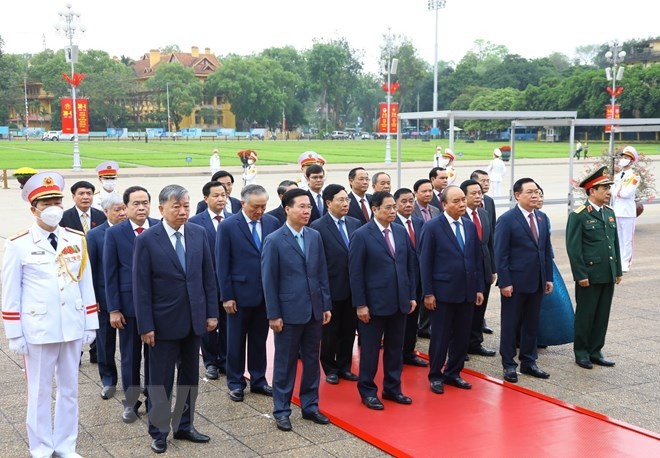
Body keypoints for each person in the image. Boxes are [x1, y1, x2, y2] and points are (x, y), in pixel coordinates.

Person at [2, 171, 98, 458]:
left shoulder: (76, 239)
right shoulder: (18, 244)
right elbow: (10, 291)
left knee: (69, 390)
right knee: (40, 392)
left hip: (71, 325)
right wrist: (15, 332)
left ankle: (66, 445)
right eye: (46, 203)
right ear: (33, 209)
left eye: (57, 200)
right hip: (38, 329)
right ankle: (42, 448)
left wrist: (90, 323)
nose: (54, 207)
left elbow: (85, 283)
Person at [133, 184, 218, 454]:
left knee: (189, 377)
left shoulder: (199, 233)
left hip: (194, 320)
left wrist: (211, 313)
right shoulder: (147, 239)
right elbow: (141, 286)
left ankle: (185, 425)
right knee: (160, 381)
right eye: (176, 207)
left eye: (186, 206)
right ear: (161, 209)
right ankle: (159, 431)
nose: (182, 212)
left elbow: (208, 276)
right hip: (162, 324)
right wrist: (145, 325)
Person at [262, 188, 333, 431]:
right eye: (301, 206)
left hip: (314, 310)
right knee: (285, 363)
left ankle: (310, 405)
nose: (306, 211)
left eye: (309, 207)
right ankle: (281, 410)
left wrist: (325, 304)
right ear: (287, 209)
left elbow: (321, 272)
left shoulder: (314, 236)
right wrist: (274, 314)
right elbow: (269, 281)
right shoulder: (274, 240)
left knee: (312, 361)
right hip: (288, 313)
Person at [349, 191, 417, 410]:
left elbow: (409, 265)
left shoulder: (399, 231)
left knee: (395, 349)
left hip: (399, 301)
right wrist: (360, 304)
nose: (392, 212)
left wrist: (411, 295)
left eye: (393, 207)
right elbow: (355, 273)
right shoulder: (362, 235)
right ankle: (368, 391)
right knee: (369, 351)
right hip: (373, 304)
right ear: (375, 209)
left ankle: (392, 388)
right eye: (388, 207)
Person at [216, 184, 279, 403]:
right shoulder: (229, 226)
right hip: (239, 294)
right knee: (235, 341)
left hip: (265, 295)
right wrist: (227, 295)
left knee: (259, 339)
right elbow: (222, 264)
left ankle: (259, 379)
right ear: (243, 203)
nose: (260, 211)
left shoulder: (271, 222)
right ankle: (235, 382)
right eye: (256, 207)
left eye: (263, 206)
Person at [419, 186, 484, 394]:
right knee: (440, 336)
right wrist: (428, 293)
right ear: (444, 205)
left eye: (463, 199)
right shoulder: (432, 227)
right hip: (442, 292)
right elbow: (425, 262)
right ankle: (436, 375)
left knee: (462, 335)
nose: (462, 204)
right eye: (456, 201)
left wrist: (479, 288)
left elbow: (476, 259)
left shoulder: (469, 225)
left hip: (466, 292)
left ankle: (454, 372)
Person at [104, 186, 160, 423]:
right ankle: (131, 401)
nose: (141, 208)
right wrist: (114, 308)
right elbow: (110, 273)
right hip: (128, 306)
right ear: (125, 208)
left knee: (157, 356)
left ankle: (154, 400)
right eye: (136, 203)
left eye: (145, 202)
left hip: (158, 305)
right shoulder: (115, 233)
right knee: (130, 356)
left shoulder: (159, 227)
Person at [494, 178, 553, 384]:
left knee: (531, 323)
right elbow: (500, 254)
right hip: (515, 282)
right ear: (518, 195)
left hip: (536, 281)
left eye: (537, 192)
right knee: (510, 324)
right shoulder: (507, 219)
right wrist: (505, 282)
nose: (535, 196)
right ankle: (509, 364)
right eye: (530, 192)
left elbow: (545, 250)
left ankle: (529, 361)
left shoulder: (542, 218)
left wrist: (548, 278)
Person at [566, 167, 622, 369]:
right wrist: (580, 274)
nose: (608, 192)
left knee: (602, 315)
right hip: (589, 275)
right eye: (604, 188)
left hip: (606, 274)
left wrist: (617, 270)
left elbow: (614, 243)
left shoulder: (609, 213)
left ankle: (596, 350)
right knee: (585, 315)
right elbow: (574, 248)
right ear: (591, 190)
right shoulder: (579, 215)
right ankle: (581, 352)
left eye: (609, 188)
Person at [311, 184, 362, 384]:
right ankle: (329, 367)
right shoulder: (318, 227)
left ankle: (344, 366)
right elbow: (316, 263)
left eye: (347, 200)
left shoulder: (355, 223)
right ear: (328, 202)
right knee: (330, 332)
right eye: (340, 200)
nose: (345, 203)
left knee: (349, 331)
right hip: (331, 288)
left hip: (353, 287)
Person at [86, 193, 127, 401]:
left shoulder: (133, 231)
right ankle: (108, 380)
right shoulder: (94, 235)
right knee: (105, 342)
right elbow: (91, 271)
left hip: (129, 296)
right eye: (117, 210)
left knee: (131, 344)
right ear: (106, 212)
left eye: (123, 209)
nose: (122, 213)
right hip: (104, 298)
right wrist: (94, 301)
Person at [61, 180, 106, 365]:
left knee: (95, 309)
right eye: (81, 193)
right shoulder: (64, 217)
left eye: (89, 193)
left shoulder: (100, 216)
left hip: (96, 270)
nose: (85, 197)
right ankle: (76, 352)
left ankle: (96, 351)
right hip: (73, 271)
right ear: (74, 197)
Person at [188, 181, 230, 380]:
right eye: (216, 195)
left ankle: (225, 359)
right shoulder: (195, 222)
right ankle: (210, 362)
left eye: (223, 195)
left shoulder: (232, 220)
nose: (221, 199)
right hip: (207, 282)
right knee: (209, 325)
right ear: (206, 198)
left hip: (228, 282)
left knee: (228, 326)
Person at [459, 180, 497, 358]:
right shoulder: (459, 216)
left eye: (479, 193)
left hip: (485, 269)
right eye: (473, 193)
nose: (478, 196)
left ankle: (475, 342)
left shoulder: (483, 213)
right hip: (466, 271)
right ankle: (460, 345)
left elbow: (489, 243)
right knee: (465, 310)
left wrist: (493, 269)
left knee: (480, 309)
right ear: (463, 196)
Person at [392, 187, 428, 367]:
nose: (408, 205)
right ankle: (396, 354)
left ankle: (409, 352)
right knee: (400, 321)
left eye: (410, 201)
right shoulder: (392, 225)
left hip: (418, 277)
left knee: (414, 319)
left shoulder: (419, 222)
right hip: (400, 279)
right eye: (403, 202)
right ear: (395, 204)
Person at [535, 186, 575, 348]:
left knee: (553, 302)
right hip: (530, 266)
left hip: (547, 262)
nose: (539, 198)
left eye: (541, 195)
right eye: (535, 194)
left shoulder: (544, 217)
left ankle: (545, 337)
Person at [611, 145, 641, 272]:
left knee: (627, 239)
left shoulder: (634, 176)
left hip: (628, 212)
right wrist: (618, 191)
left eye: (626, 157)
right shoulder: (617, 176)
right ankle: (619, 260)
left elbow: (626, 193)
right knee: (617, 238)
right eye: (622, 156)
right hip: (616, 210)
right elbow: (611, 190)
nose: (623, 158)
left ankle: (625, 263)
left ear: (631, 160)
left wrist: (617, 191)